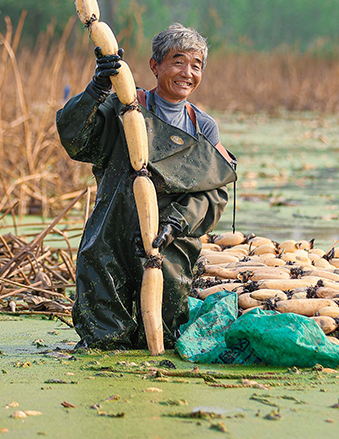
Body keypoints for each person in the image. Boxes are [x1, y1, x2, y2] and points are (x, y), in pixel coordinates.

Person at [56, 23, 237, 349]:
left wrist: (173, 225)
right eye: (178, 61)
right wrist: (97, 87)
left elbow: (213, 193)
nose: (187, 72)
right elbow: (74, 139)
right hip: (110, 241)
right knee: (104, 342)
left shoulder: (204, 127)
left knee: (159, 340)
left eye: (196, 65)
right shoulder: (123, 106)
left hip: (168, 248)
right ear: (155, 66)